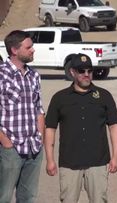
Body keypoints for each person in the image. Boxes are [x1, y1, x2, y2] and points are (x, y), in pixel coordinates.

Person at [44, 53, 117, 203]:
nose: (86, 74)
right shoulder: (59, 98)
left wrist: (116, 157)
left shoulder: (104, 96)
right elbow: (50, 129)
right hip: (69, 163)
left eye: (89, 71)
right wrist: (50, 159)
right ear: (72, 72)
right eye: (81, 71)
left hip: (98, 162)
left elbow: (114, 126)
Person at [0, 30, 45, 203]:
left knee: (28, 198)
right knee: (3, 196)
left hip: (33, 148)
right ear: (14, 50)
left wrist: (39, 138)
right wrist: (6, 142)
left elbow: (39, 110)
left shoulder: (33, 75)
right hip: (9, 149)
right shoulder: (2, 75)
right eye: (28, 47)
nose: (33, 50)